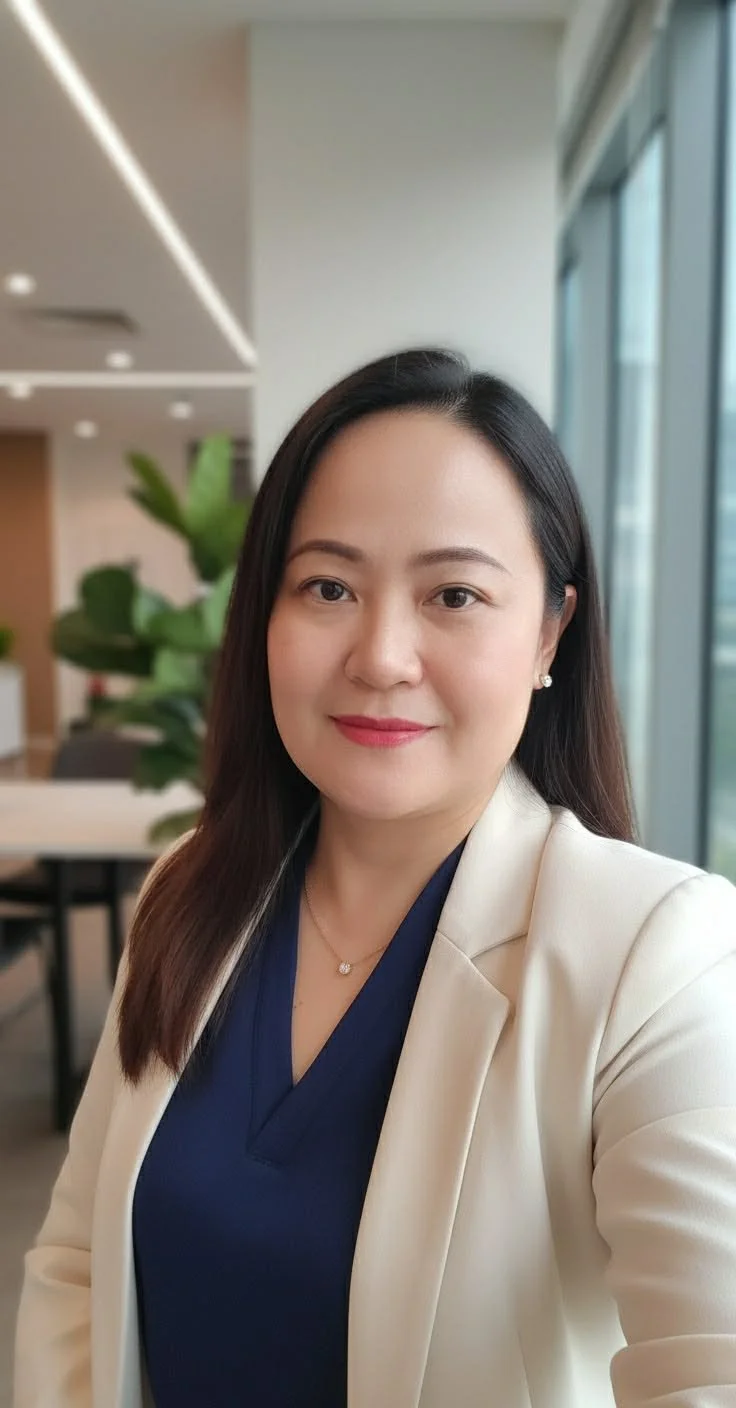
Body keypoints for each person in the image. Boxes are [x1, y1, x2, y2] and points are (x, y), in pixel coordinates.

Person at [14, 348, 736, 1408]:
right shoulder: (193, 888)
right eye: (328, 586)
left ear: (548, 633)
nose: (382, 653)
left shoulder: (654, 950)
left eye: (452, 593)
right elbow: (74, 1261)